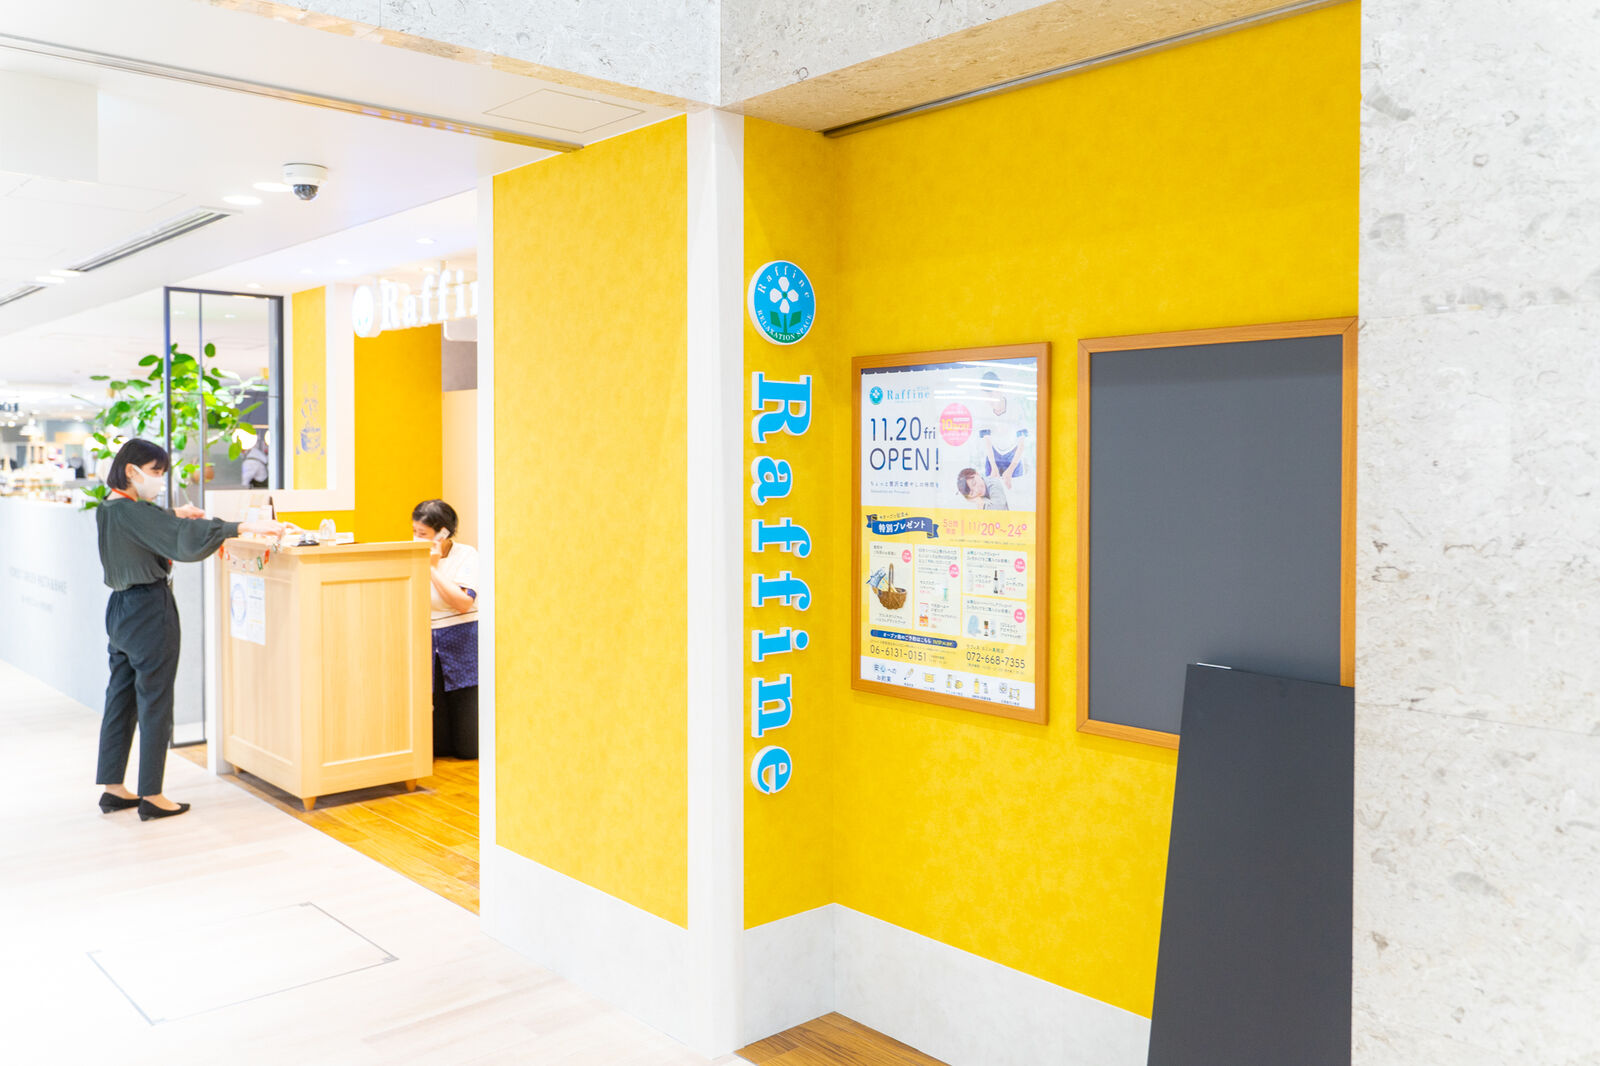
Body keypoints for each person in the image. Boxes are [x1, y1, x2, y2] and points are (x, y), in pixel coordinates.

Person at [94, 438, 284, 821]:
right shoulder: (136, 512)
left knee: (120, 698)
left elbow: (151, 523)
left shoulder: (109, 507)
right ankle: (152, 794)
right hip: (149, 610)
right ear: (131, 470)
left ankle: (113, 788)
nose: (159, 479)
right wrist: (242, 525)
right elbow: (182, 539)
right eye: (155, 472)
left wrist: (173, 514)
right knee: (155, 701)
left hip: (119, 611)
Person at [413, 499, 479, 760]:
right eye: (414, 532)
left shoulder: (467, 555)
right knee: (438, 744)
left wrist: (431, 568)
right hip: (427, 639)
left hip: (462, 640)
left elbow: (463, 603)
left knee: (468, 748)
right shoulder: (411, 554)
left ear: (443, 533)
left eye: (423, 534)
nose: (417, 539)